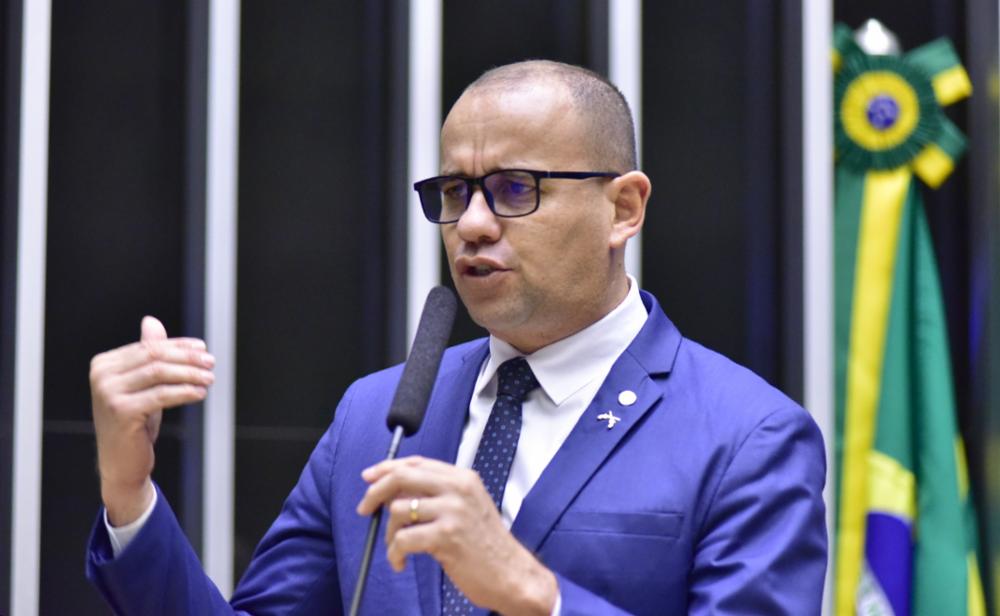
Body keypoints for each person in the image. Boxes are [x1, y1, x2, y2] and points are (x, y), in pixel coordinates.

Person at [86, 60, 827, 615]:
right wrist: (130, 493)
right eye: (453, 192)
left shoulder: (749, 436)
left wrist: (537, 595)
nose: (471, 224)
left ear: (624, 209)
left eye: (515, 189)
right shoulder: (373, 417)